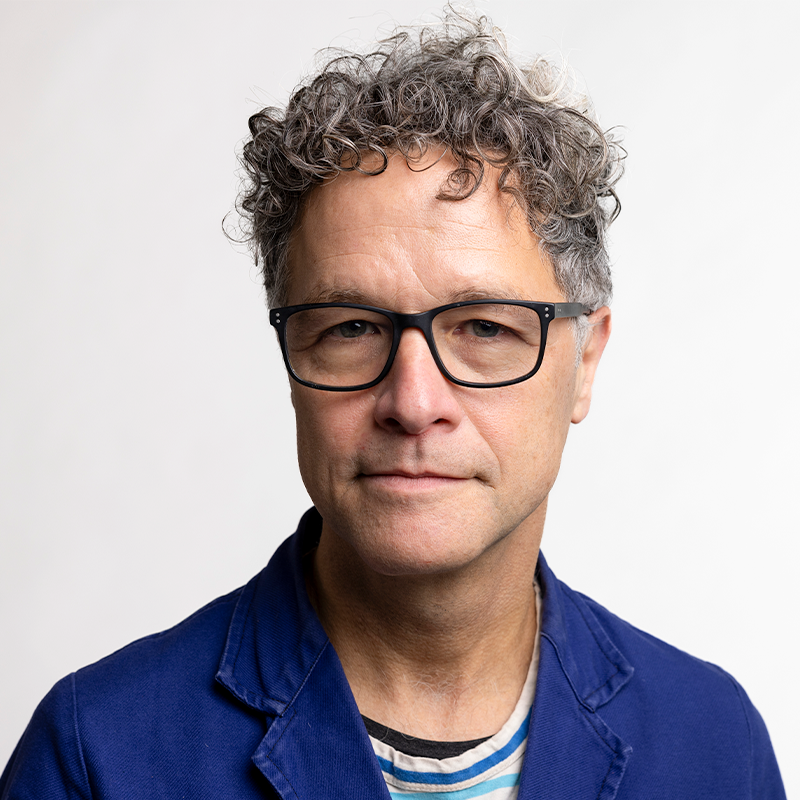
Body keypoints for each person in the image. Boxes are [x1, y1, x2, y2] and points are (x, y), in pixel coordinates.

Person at [0, 10, 785, 799]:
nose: (414, 403)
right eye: (350, 327)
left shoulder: (714, 743)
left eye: (484, 327)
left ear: (585, 361)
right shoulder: (97, 754)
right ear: (290, 359)